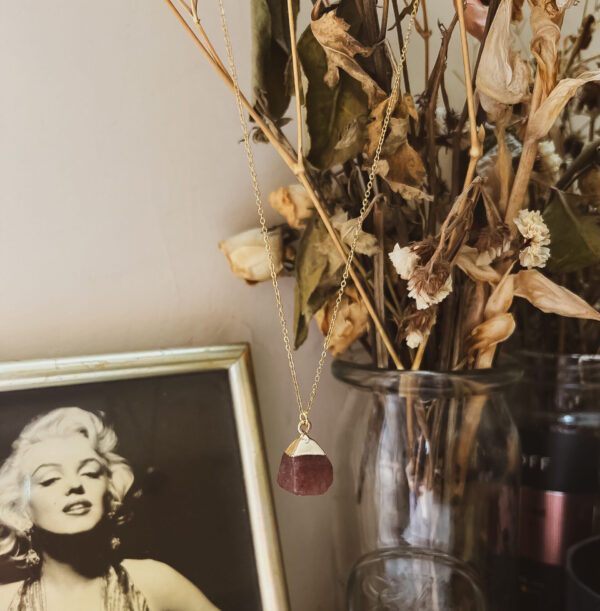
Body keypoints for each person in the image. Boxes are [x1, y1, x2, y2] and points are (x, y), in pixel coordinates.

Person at [0, 407, 220, 610]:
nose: (75, 485)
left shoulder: (154, 582)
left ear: (109, 491)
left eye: (90, 473)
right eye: (50, 479)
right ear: (20, 510)